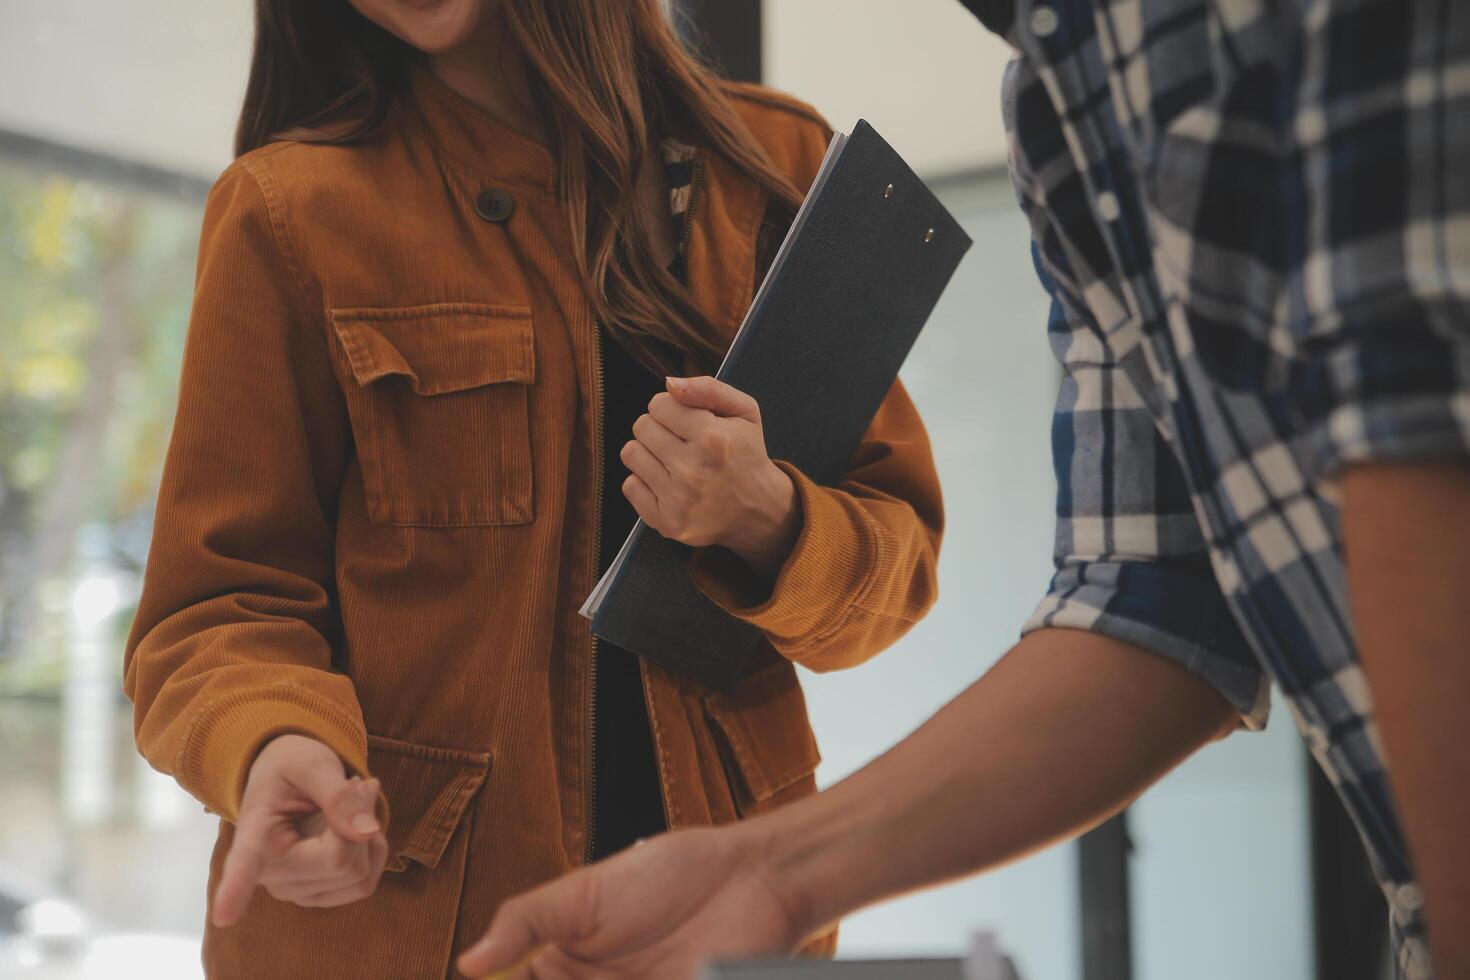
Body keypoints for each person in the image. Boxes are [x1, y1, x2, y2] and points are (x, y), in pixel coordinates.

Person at [456, 1, 1470, 978]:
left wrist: (772, 518)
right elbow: (1153, 596)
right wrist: (763, 868)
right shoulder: (1056, 91)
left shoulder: (773, 163)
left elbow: (1420, 426)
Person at [121, 1, 944, 976]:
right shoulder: (294, 209)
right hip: (399, 929)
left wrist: (769, 516)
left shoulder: (769, 164)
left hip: (728, 921)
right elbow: (214, 605)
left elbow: (894, 575)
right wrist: (272, 743)